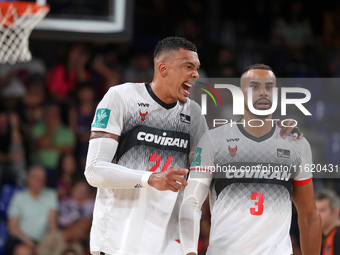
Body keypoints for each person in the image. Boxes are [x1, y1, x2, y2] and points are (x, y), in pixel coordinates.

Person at [179, 63, 321, 255]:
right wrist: (189, 251)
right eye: (254, 86)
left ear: (276, 93)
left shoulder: (296, 144)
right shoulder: (213, 140)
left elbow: (309, 216)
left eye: (269, 87)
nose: (263, 92)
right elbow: (192, 202)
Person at [84, 36, 208, 255]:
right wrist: (150, 178)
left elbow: (198, 186)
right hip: (117, 242)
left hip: (168, 246)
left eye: (197, 68)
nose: (195, 74)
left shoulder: (194, 114)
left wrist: (190, 248)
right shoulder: (120, 97)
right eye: (188, 66)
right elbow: (94, 170)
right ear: (163, 68)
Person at [5, 166, 58, 254]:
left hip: (43, 240)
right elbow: (12, 227)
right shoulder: (19, 197)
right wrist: (30, 242)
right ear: (28, 179)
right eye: (37, 178)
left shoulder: (51, 195)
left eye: (42, 179)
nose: (40, 182)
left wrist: (48, 243)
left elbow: (52, 225)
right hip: (21, 239)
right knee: (24, 251)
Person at [315, 189, 340, 255]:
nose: (318, 215)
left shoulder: (337, 237)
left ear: (335, 212)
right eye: (316, 210)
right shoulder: (328, 237)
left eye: (322, 210)